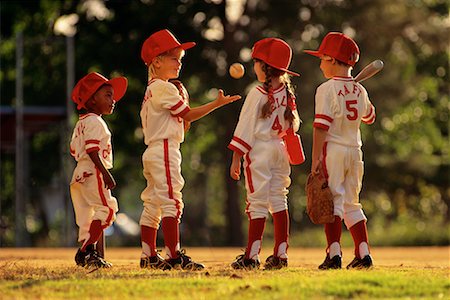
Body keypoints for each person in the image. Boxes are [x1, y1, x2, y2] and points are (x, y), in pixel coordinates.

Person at [139, 29, 241, 270]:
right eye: (173, 58)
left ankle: (148, 255)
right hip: (164, 149)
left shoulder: (154, 89)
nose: (178, 64)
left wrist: (185, 113)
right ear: (156, 61)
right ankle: (174, 255)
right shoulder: (164, 87)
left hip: (156, 149)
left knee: (153, 203)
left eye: (180, 60)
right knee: (172, 200)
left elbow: (183, 124)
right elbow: (188, 114)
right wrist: (215, 104)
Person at [304, 32, 376, 269]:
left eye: (323, 58)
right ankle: (363, 253)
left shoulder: (326, 89)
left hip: (333, 150)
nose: (320, 63)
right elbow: (370, 116)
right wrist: (359, 96)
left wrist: (315, 159)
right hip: (355, 152)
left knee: (331, 202)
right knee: (352, 204)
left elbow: (321, 128)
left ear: (333, 60)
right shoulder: (360, 90)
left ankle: (334, 253)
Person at [228, 38, 301, 270]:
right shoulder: (287, 93)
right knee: (279, 199)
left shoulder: (257, 93)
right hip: (280, 151)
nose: (254, 67)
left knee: (257, 202)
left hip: (260, 151)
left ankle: (252, 256)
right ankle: (281, 253)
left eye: (256, 63)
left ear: (264, 67)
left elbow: (245, 127)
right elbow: (294, 126)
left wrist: (236, 158)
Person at [70, 72, 128, 268]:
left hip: (79, 173)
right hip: (93, 170)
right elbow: (92, 150)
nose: (113, 101)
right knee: (108, 209)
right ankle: (86, 250)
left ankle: (91, 255)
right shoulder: (96, 121)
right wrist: (106, 173)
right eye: (108, 95)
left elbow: (73, 149)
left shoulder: (81, 123)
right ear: (92, 99)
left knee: (86, 220)